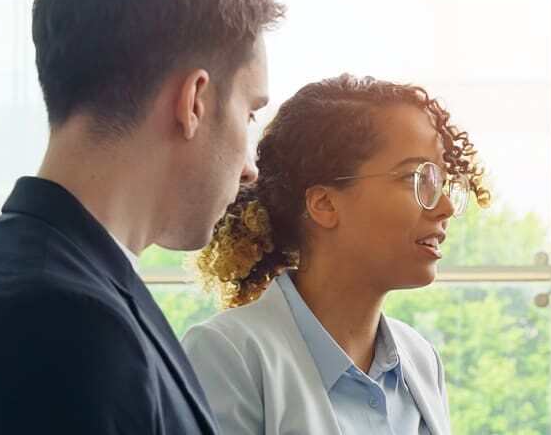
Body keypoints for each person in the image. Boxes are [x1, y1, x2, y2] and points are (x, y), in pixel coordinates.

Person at [0, 0, 283, 433]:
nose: (250, 169)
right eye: (249, 114)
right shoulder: (59, 321)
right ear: (194, 101)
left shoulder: (31, 278)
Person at [181, 74, 487, 435]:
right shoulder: (227, 355)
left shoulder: (421, 360)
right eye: (415, 178)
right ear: (324, 204)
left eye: (441, 182)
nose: (446, 207)